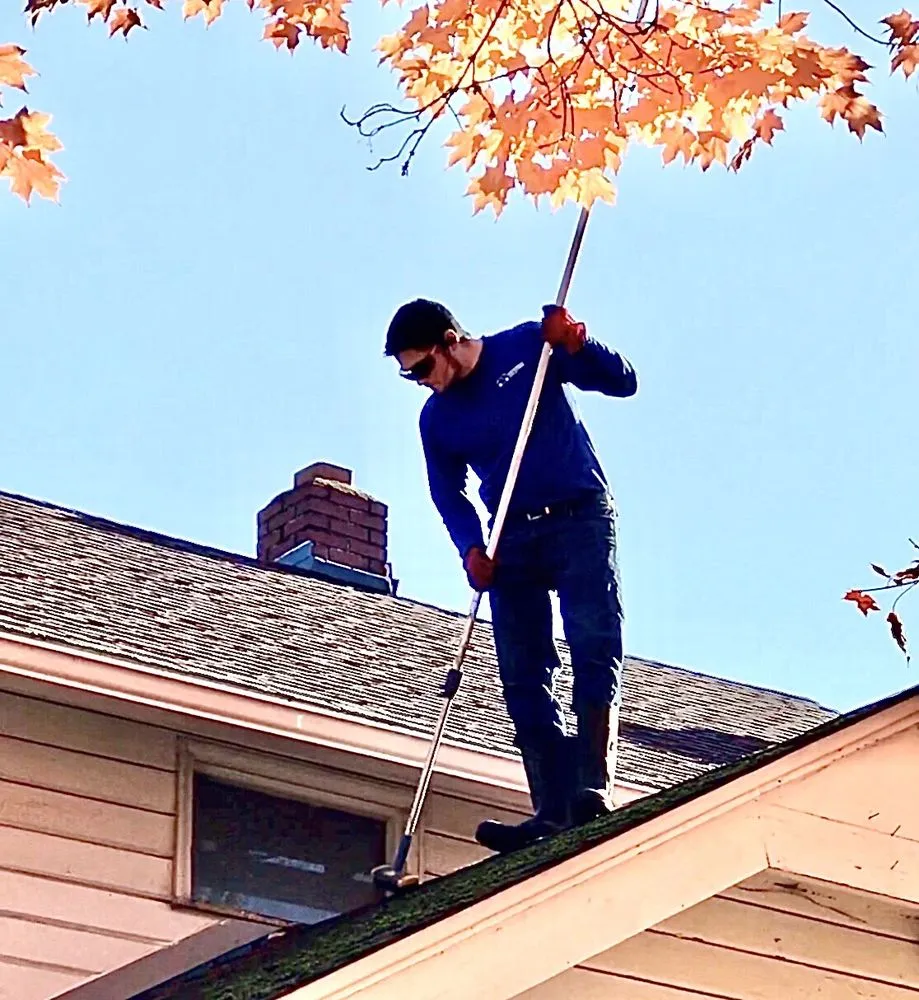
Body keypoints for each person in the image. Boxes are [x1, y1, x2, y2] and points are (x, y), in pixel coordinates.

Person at [385, 298, 638, 854]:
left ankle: (591, 786)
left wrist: (576, 344)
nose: (423, 383)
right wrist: (470, 547)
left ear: (451, 341)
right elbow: (446, 492)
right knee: (523, 671)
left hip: (578, 514)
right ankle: (550, 804)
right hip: (510, 539)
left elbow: (623, 382)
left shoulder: (528, 346)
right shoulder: (438, 420)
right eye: (411, 377)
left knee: (593, 640)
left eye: (423, 368)